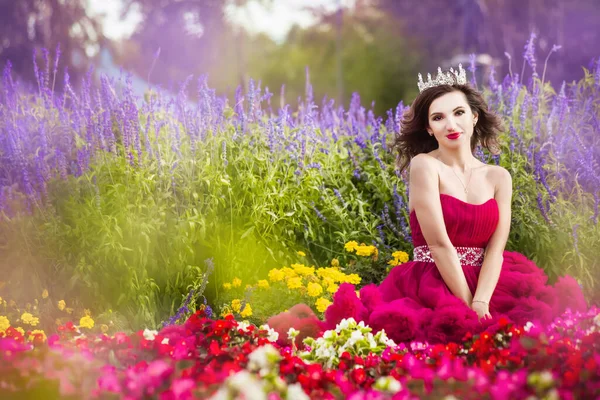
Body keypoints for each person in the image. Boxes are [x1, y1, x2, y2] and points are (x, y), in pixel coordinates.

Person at [268, 65, 588, 345]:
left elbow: (495, 250)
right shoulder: (425, 166)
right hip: (433, 282)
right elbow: (438, 243)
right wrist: (467, 308)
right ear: (429, 128)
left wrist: (481, 302)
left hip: (488, 284)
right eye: (439, 117)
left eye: (459, 113)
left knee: (540, 337)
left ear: (474, 117)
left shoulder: (498, 177)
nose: (451, 124)